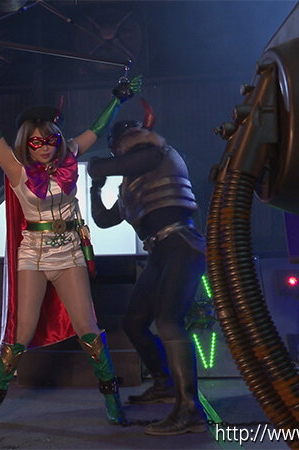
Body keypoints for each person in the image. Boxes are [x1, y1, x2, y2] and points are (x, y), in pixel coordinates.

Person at [0, 54, 141, 427]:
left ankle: (113, 403)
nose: (45, 147)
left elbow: (96, 128)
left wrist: (118, 99)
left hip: (70, 251)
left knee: (88, 328)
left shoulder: (70, 155)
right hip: (33, 254)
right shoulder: (16, 168)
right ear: (26, 144)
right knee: (21, 333)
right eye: (37, 142)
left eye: (51, 140)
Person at [86, 117, 207, 436]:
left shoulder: (158, 153)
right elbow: (104, 220)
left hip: (181, 244)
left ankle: (190, 410)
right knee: (134, 322)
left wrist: (97, 168)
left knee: (169, 321)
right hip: (162, 251)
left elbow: (116, 163)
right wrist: (95, 188)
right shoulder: (132, 181)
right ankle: (165, 383)